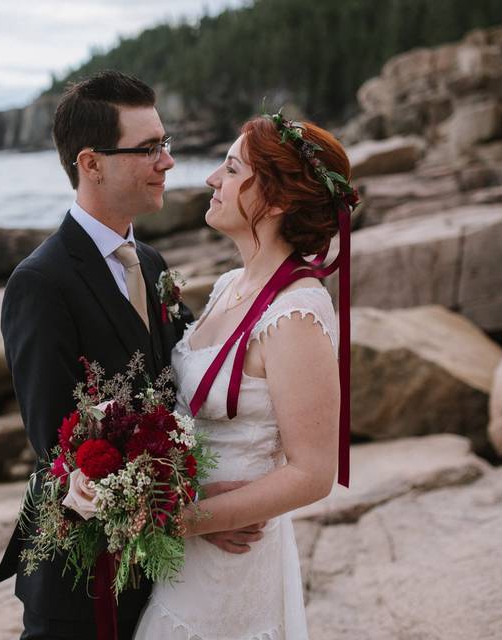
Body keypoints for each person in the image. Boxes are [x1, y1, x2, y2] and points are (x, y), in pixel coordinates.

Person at [0, 70, 259, 640]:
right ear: (91, 164)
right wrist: (194, 510)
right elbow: (61, 449)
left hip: (165, 575)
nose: (167, 162)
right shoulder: (40, 284)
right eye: (148, 149)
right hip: (82, 585)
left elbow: (178, 384)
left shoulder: (154, 265)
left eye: (165, 144)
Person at [133, 113, 356, 639]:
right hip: (185, 555)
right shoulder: (231, 283)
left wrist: (186, 519)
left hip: (235, 560)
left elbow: (311, 472)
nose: (213, 179)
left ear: (275, 201)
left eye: (231, 169)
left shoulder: (296, 312)